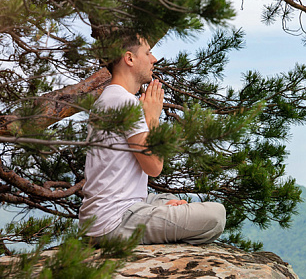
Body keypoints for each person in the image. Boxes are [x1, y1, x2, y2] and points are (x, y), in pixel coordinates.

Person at [79, 35, 225, 245]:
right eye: (147, 53)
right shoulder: (125, 102)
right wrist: (153, 118)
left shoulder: (107, 99)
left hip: (102, 218)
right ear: (129, 59)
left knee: (167, 201)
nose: (154, 59)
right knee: (216, 216)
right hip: (115, 222)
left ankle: (158, 212)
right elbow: (154, 166)